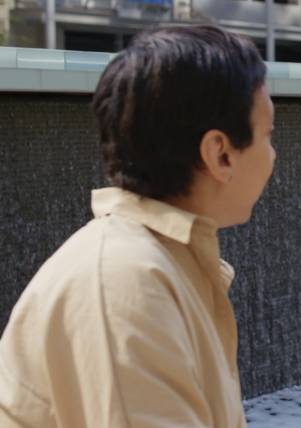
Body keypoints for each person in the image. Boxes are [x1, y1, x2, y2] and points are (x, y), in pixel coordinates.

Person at [0, 25, 275, 428]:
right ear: (221, 154)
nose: (273, 155)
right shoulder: (124, 284)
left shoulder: (160, 263)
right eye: (268, 134)